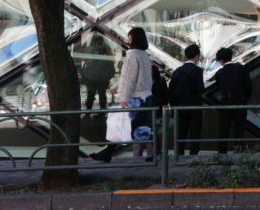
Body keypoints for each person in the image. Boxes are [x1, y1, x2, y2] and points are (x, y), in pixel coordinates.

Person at [91, 27, 153, 162]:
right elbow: (133, 77)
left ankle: (107, 154)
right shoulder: (144, 55)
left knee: (120, 125)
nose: (126, 38)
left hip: (135, 98)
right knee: (143, 126)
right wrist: (116, 86)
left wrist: (124, 98)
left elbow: (128, 78)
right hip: (146, 96)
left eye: (129, 36)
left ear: (133, 38)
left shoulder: (132, 55)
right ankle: (154, 154)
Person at [212, 48, 252, 154]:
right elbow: (248, 87)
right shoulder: (241, 69)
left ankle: (222, 154)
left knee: (223, 131)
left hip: (225, 105)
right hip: (240, 105)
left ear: (221, 60)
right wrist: (243, 99)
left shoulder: (219, 73)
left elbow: (220, 88)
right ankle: (238, 154)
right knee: (239, 131)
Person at [168, 44, 205, 156]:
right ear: (197, 56)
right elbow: (200, 88)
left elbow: (171, 89)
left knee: (180, 133)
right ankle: (193, 156)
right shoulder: (197, 71)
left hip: (180, 108)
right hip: (194, 107)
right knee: (195, 133)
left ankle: (179, 155)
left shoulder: (177, 71)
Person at [79, 34, 115, 115]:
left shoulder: (89, 48)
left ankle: (88, 112)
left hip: (91, 76)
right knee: (102, 94)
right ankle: (102, 112)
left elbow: (84, 59)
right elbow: (111, 61)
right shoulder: (106, 48)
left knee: (90, 94)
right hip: (103, 77)